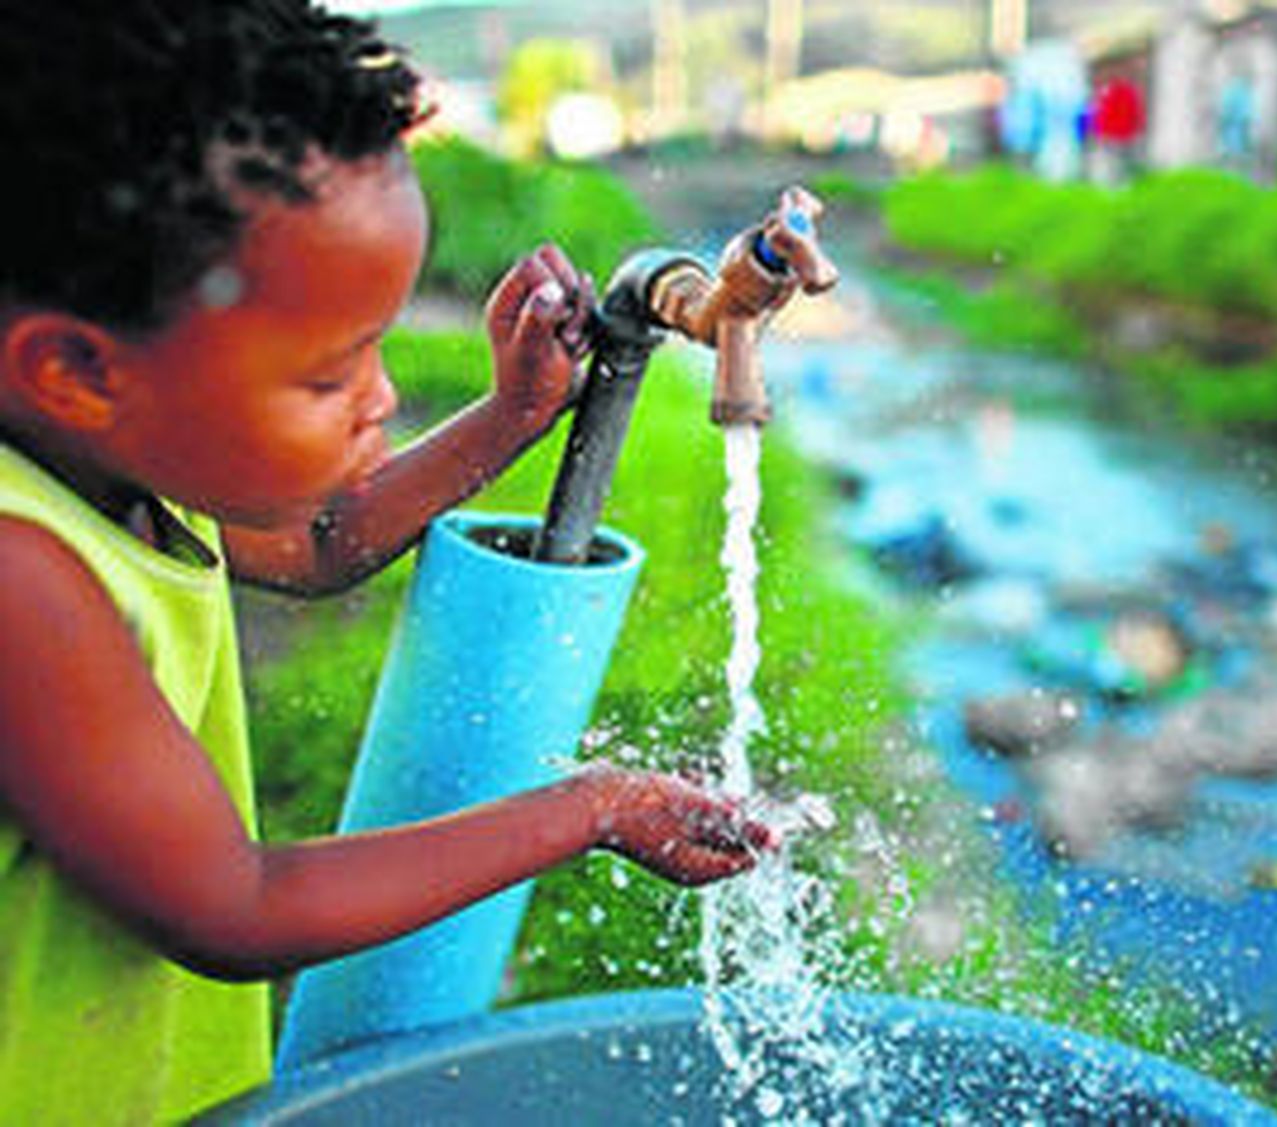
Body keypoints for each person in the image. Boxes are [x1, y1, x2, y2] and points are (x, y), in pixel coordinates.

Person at [0, 3, 774, 1122]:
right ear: (76, 369)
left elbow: (321, 542)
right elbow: (235, 903)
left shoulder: (114, 457)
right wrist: (587, 810)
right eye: (328, 376)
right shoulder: (21, 580)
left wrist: (512, 412)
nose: (382, 394)